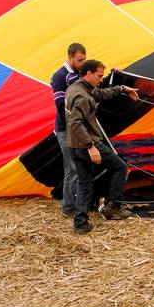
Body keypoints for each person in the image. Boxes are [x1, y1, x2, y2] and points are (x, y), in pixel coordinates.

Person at [66, 59, 139, 234]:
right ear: (88, 73)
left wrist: (121, 88)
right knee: (121, 167)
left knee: (84, 184)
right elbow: (76, 123)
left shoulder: (78, 88)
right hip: (86, 144)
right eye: (99, 76)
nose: (101, 79)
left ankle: (80, 225)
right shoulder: (82, 97)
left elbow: (100, 94)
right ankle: (113, 206)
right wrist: (91, 146)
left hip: (73, 145)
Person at [51, 43, 86, 216]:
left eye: (84, 60)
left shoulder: (80, 73)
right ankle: (68, 208)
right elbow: (59, 106)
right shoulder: (60, 76)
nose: (82, 63)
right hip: (66, 129)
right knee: (71, 169)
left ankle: (79, 203)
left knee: (80, 168)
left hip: (78, 128)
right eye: (79, 60)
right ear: (70, 57)